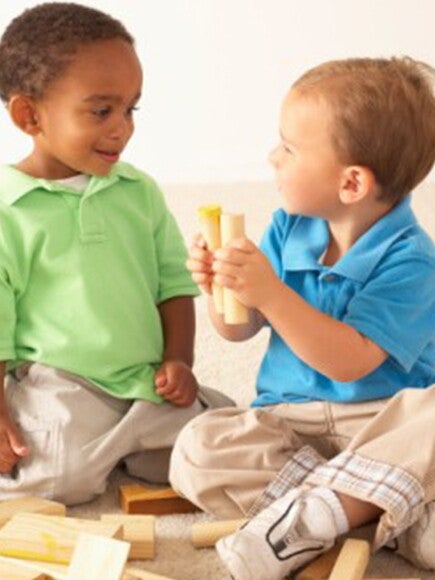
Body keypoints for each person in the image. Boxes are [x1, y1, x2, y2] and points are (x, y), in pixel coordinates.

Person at [170, 56, 435, 579]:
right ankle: (368, 506)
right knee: (196, 448)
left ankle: (327, 512)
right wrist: (221, 289)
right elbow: (239, 329)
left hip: (381, 421)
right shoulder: (289, 227)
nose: (273, 157)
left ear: (352, 183)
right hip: (290, 423)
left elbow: (349, 362)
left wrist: (270, 293)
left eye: (289, 148)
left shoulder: (413, 262)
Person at [0, 2, 232, 506]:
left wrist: (179, 361)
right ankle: (106, 450)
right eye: (101, 111)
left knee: (224, 444)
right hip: (59, 383)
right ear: (29, 115)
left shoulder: (138, 192)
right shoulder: (7, 209)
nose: (122, 128)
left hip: (143, 380)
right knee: (58, 479)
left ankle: (134, 444)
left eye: (131, 109)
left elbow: (173, 285)